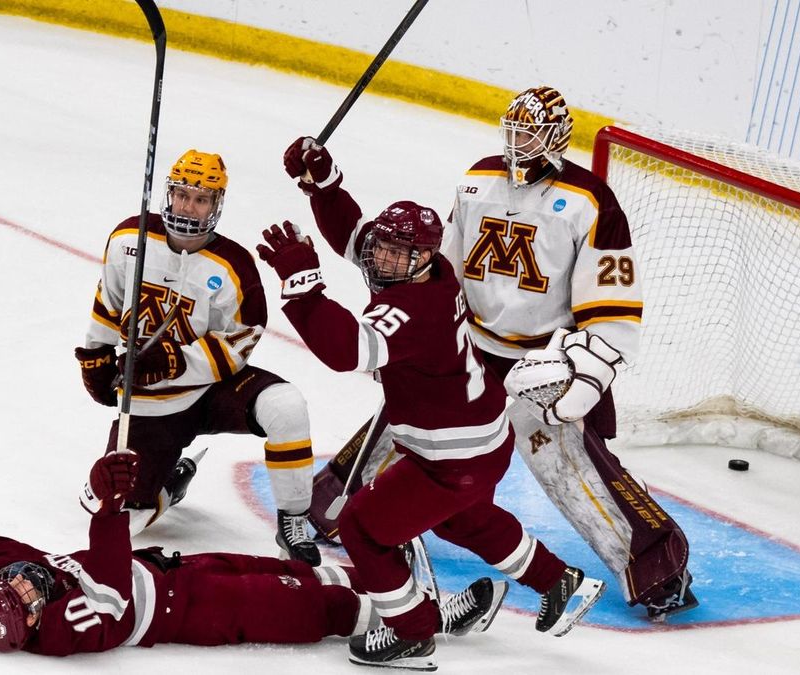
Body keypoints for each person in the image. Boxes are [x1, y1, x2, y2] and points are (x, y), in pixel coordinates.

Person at [295, 87, 697, 622]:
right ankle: (333, 505)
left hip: (542, 363)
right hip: (473, 344)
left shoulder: (588, 200)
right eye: (512, 131)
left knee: (569, 464)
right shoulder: (479, 179)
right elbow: (435, 260)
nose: (517, 144)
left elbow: (612, 294)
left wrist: (593, 365)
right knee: (410, 423)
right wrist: (327, 192)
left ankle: (657, 566)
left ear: (555, 137)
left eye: (529, 133)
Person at [258, 148, 605, 670]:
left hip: (448, 458)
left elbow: (346, 351)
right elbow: (358, 237)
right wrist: (324, 186)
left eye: (398, 254)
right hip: (480, 439)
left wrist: (302, 285)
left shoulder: (415, 308)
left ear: (420, 258)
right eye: (385, 248)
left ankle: (412, 634)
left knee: (362, 527)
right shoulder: (432, 270)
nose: (382, 260)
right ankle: (561, 583)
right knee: (464, 522)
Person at [0, 411, 502, 655]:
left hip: (174, 569)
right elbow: (110, 588)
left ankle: (390, 595)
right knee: (311, 604)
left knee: (304, 573)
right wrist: (105, 508)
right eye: (24, 596)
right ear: (30, 625)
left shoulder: (3, 578)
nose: (24, 579)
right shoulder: (65, 627)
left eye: (14, 580)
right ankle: (418, 622)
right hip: (196, 612)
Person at [74, 149, 318, 564]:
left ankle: (294, 521)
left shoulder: (233, 265)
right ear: (168, 194)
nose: (189, 206)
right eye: (183, 195)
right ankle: (172, 482)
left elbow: (240, 341)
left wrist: (175, 362)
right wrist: (94, 355)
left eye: (201, 199)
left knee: (286, 405)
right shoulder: (128, 240)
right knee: (111, 512)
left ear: (216, 205)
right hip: (152, 403)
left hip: (213, 389)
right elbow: (108, 301)